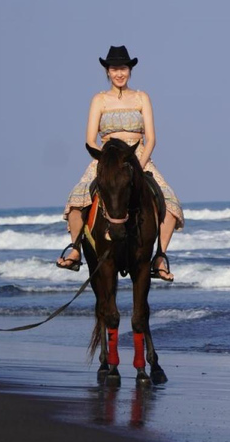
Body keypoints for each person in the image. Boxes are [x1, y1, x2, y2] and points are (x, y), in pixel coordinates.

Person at [56, 45, 184, 281]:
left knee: (170, 201)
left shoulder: (142, 97)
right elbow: (89, 139)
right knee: (77, 199)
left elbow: (152, 137)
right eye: (114, 68)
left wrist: (138, 164)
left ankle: (160, 256)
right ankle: (75, 248)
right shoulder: (99, 100)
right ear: (107, 71)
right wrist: (106, 161)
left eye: (123, 68)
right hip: (107, 158)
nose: (119, 73)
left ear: (130, 70)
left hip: (138, 157)